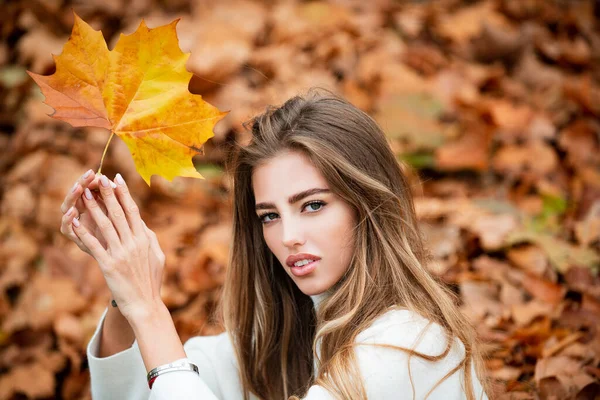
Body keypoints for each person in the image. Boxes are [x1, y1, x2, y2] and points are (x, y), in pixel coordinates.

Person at [60, 87, 490, 399]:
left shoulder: (406, 344)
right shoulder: (290, 335)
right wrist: (125, 294)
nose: (288, 237)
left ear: (368, 202)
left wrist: (151, 311)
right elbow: (145, 391)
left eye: (313, 205)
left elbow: (171, 372)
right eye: (269, 215)